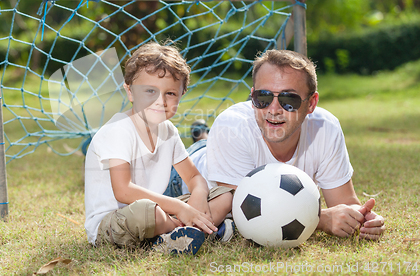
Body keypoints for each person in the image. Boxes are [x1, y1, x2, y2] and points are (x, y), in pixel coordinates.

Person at [200, 49, 385, 240]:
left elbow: (344, 201)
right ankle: (202, 139)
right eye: (263, 97)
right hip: (184, 177)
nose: (273, 110)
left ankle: (202, 135)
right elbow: (245, 212)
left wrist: (360, 217)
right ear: (252, 97)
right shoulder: (231, 126)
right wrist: (321, 219)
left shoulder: (325, 128)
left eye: (288, 100)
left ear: (311, 103)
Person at [84, 42, 234, 255]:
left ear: (182, 94)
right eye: (150, 91)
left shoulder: (168, 131)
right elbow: (124, 190)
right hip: (117, 221)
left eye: (170, 93)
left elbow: (193, 177)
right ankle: (197, 230)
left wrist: (198, 194)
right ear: (130, 92)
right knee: (149, 212)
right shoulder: (118, 130)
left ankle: (179, 234)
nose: (160, 101)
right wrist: (182, 209)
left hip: (161, 213)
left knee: (225, 195)